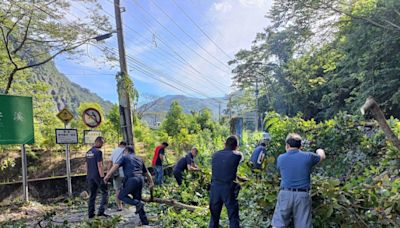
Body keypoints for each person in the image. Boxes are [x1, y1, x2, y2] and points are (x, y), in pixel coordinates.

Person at [272, 133, 326, 228]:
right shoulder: (308, 157)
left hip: (285, 194)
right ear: (300, 146)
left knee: (278, 225)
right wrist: (319, 150)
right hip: (302, 195)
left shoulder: (281, 158)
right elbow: (322, 156)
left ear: (287, 145)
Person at [104, 146, 154, 225]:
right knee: (137, 199)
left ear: (127, 151)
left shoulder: (125, 157)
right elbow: (146, 172)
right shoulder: (139, 159)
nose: (123, 154)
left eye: (124, 152)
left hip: (132, 180)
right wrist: (151, 182)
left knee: (121, 196)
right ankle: (144, 221)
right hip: (141, 180)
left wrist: (107, 176)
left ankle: (138, 204)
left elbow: (115, 166)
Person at [209, 135, 244, 228]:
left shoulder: (215, 155)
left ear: (225, 144)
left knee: (214, 218)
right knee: (233, 217)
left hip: (215, 188)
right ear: (236, 146)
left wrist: (238, 177)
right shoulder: (237, 155)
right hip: (228, 188)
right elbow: (237, 157)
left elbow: (223, 168)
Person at [86, 136, 109, 218]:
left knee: (92, 194)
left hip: (90, 176)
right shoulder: (98, 152)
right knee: (105, 193)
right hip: (97, 176)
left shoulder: (88, 152)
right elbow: (100, 165)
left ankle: (91, 213)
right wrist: (103, 178)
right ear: (98, 142)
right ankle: (101, 211)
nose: (102, 145)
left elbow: (87, 165)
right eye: (102, 143)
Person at [107, 141, 127, 211]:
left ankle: (119, 206)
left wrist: (108, 172)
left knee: (117, 190)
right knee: (126, 188)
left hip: (116, 172)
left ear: (119, 145)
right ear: (125, 145)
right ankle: (125, 202)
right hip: (126, 172)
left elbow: (110, 162)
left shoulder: (114, 151)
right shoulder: (126, 151)